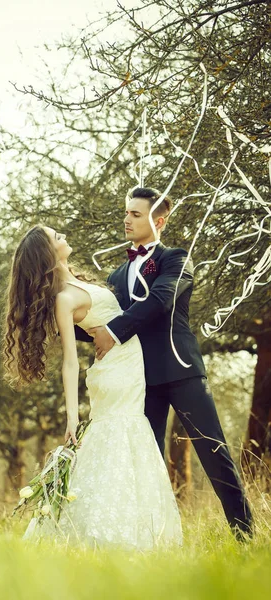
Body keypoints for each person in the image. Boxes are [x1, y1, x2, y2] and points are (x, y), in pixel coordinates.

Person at [79, 186, 253, 540]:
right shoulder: (114, 277)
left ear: (159, 221)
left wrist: (113, 330)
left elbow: (160, 299)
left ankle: (245, 535)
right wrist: (64, 320)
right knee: (148, 463)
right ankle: (152, 540)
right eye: (126, 212)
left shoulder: (176, 259)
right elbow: (99, 326)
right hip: (140, 381)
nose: (127, 219)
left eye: (136, 214)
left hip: (181, 371)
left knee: (214, 451)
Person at [3, 224, 183, 550]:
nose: (64, 236)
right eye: (57, 237)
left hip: (124, 363)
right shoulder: (64, 297)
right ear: (47, 252)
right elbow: (70, 362)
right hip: (117, 372)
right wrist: (72, 418)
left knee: (120, 439)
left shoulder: (77, 281)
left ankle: (123, 526)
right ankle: (117, 532)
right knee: (122, 435)